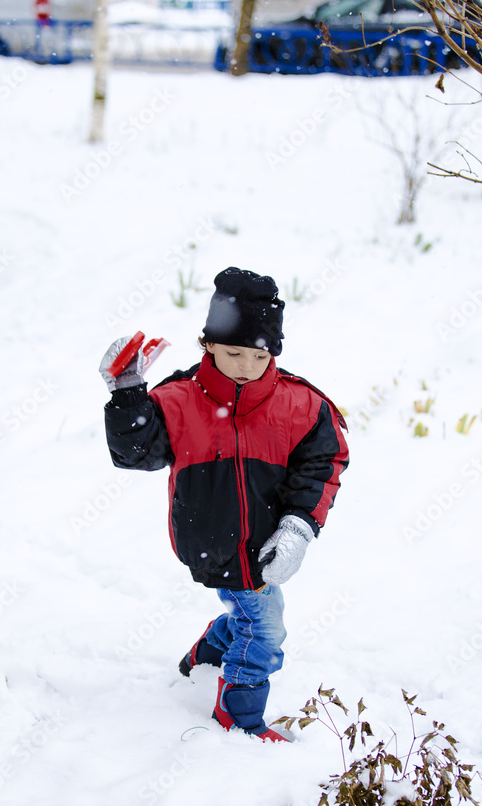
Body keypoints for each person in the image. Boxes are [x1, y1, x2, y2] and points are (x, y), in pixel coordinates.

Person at [101, 267, 349, 742]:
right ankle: (239, 715)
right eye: (233, 352)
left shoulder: (300, 405)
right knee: (266, 633)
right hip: (210, 541)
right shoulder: (178, 399)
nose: (245, 366)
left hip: (267, 543)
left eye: (258, 355)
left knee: (255, 614)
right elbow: (136, 453)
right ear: (208, 345)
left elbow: (325, 461)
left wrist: (298, 526)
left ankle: (207, 655)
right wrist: (128, 394)